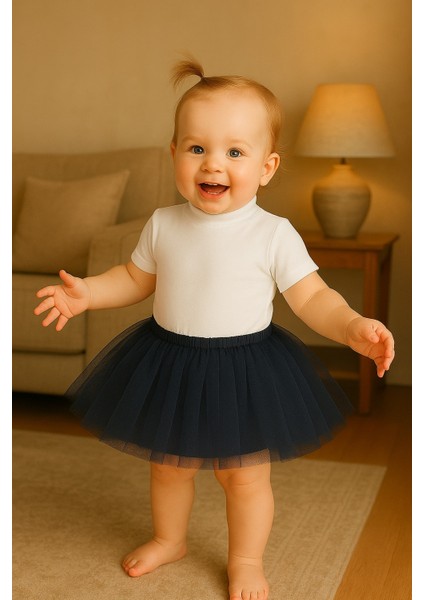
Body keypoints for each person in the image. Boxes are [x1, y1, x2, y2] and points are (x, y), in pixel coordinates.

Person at [34, 59, 395, 600]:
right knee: (168, 466)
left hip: (244, 368)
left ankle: (246, 560)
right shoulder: (163, 223)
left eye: (234, 152)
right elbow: (133, 279)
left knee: (244, 476)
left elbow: (313, 297)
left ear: (267, 167)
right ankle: (169, 539)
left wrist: (351, 326)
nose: (213, 164)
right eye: (197, 147)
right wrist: (87, 292)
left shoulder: (273, 233)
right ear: (174, 154)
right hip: (170, 359)